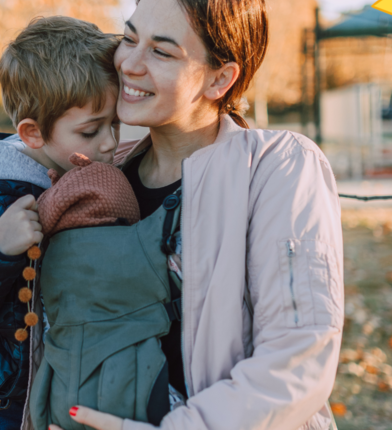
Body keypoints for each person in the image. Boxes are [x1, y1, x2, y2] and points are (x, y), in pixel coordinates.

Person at [48, 0, 344, 429]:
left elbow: (297, 361)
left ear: (220, 78)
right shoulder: (102, 178)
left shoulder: (276, 168)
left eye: (161, 52)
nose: (129, 63)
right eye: (129, 38)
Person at [0, 16, 121, 429]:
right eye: (91, 131)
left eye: (115, 123)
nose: (109, 142)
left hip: (39, 383)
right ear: (32, 133)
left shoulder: (67, 166)